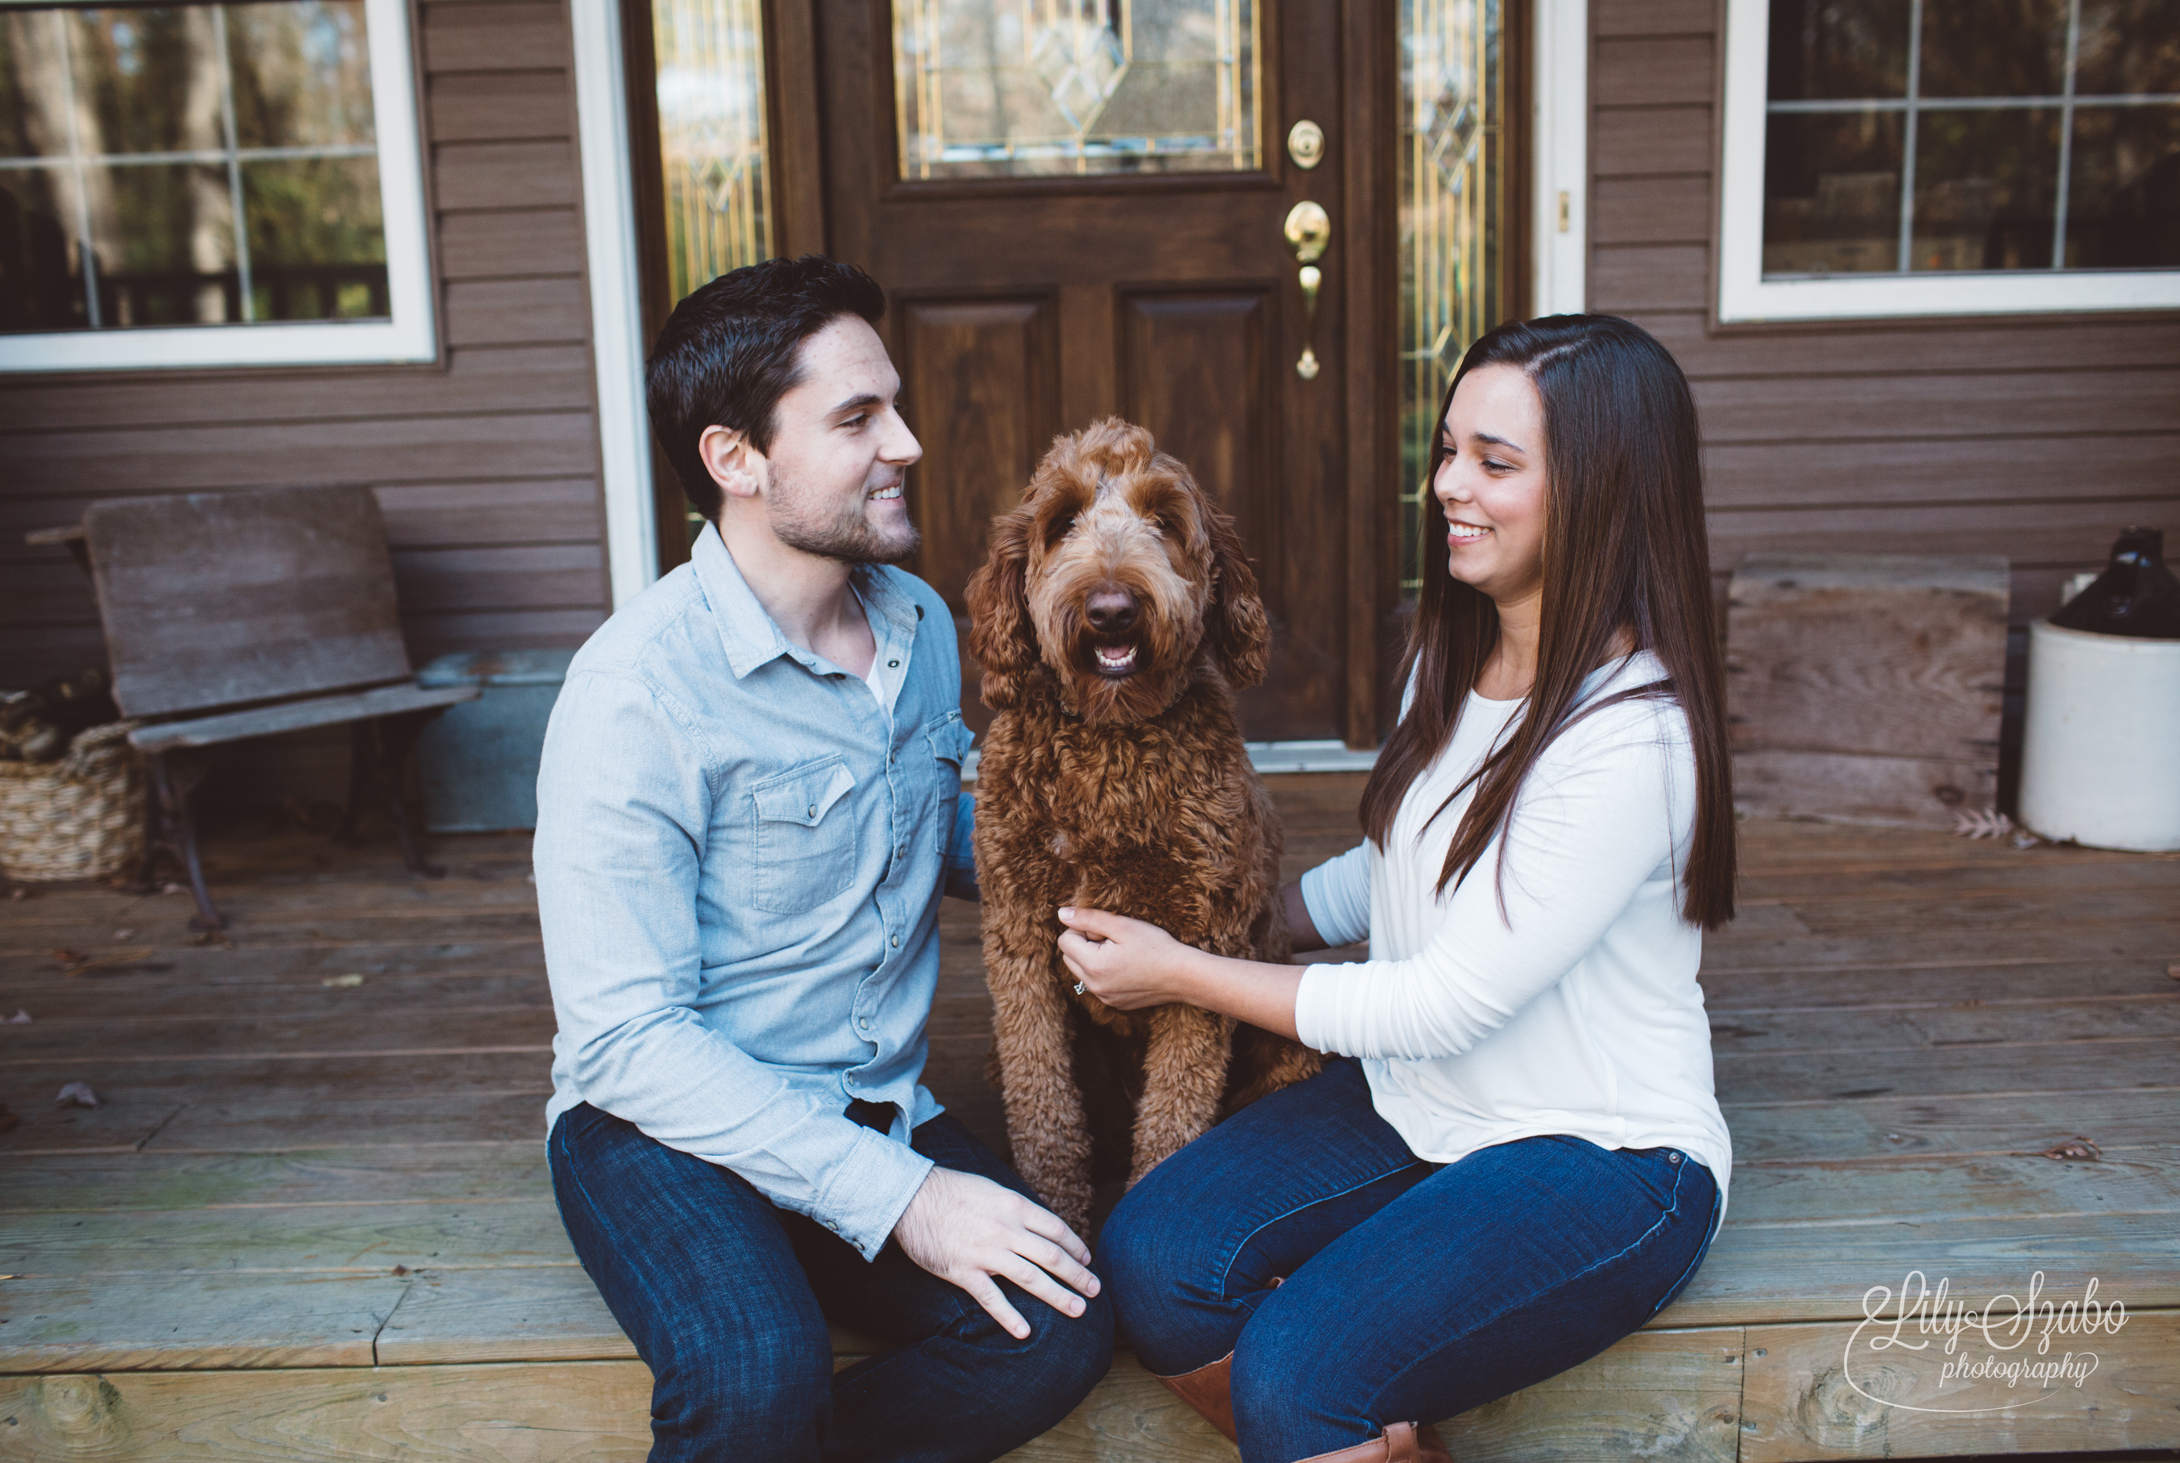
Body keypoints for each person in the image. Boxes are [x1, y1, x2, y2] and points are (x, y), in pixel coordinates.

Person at [1057, 315, 1736, 1463]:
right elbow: (1402, 865)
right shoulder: (1452, 652)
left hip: (1602, 1151)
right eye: (1447, 450)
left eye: (1495, 463)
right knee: (1153, 1257)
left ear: (1605, 491)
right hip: (1430, 1099)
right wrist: (1249, 917)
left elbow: (1440, 1001)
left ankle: (1331, 1410)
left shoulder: (1633, 741)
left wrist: (1182, 970)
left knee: (1297, 1372)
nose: (1448, 488)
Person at [534, 254, 1113, 1463]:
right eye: (857, 417)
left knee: (1058, 1323)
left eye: (893, 405)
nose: (905, 440)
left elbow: (948, 833)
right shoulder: (632, 692)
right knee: (755, 1376)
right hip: (659, 1125)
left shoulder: (916, 625)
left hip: (871, 1101)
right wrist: (908, 1198)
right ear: (735, 459)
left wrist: (1108, 867)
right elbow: (623, 1038)